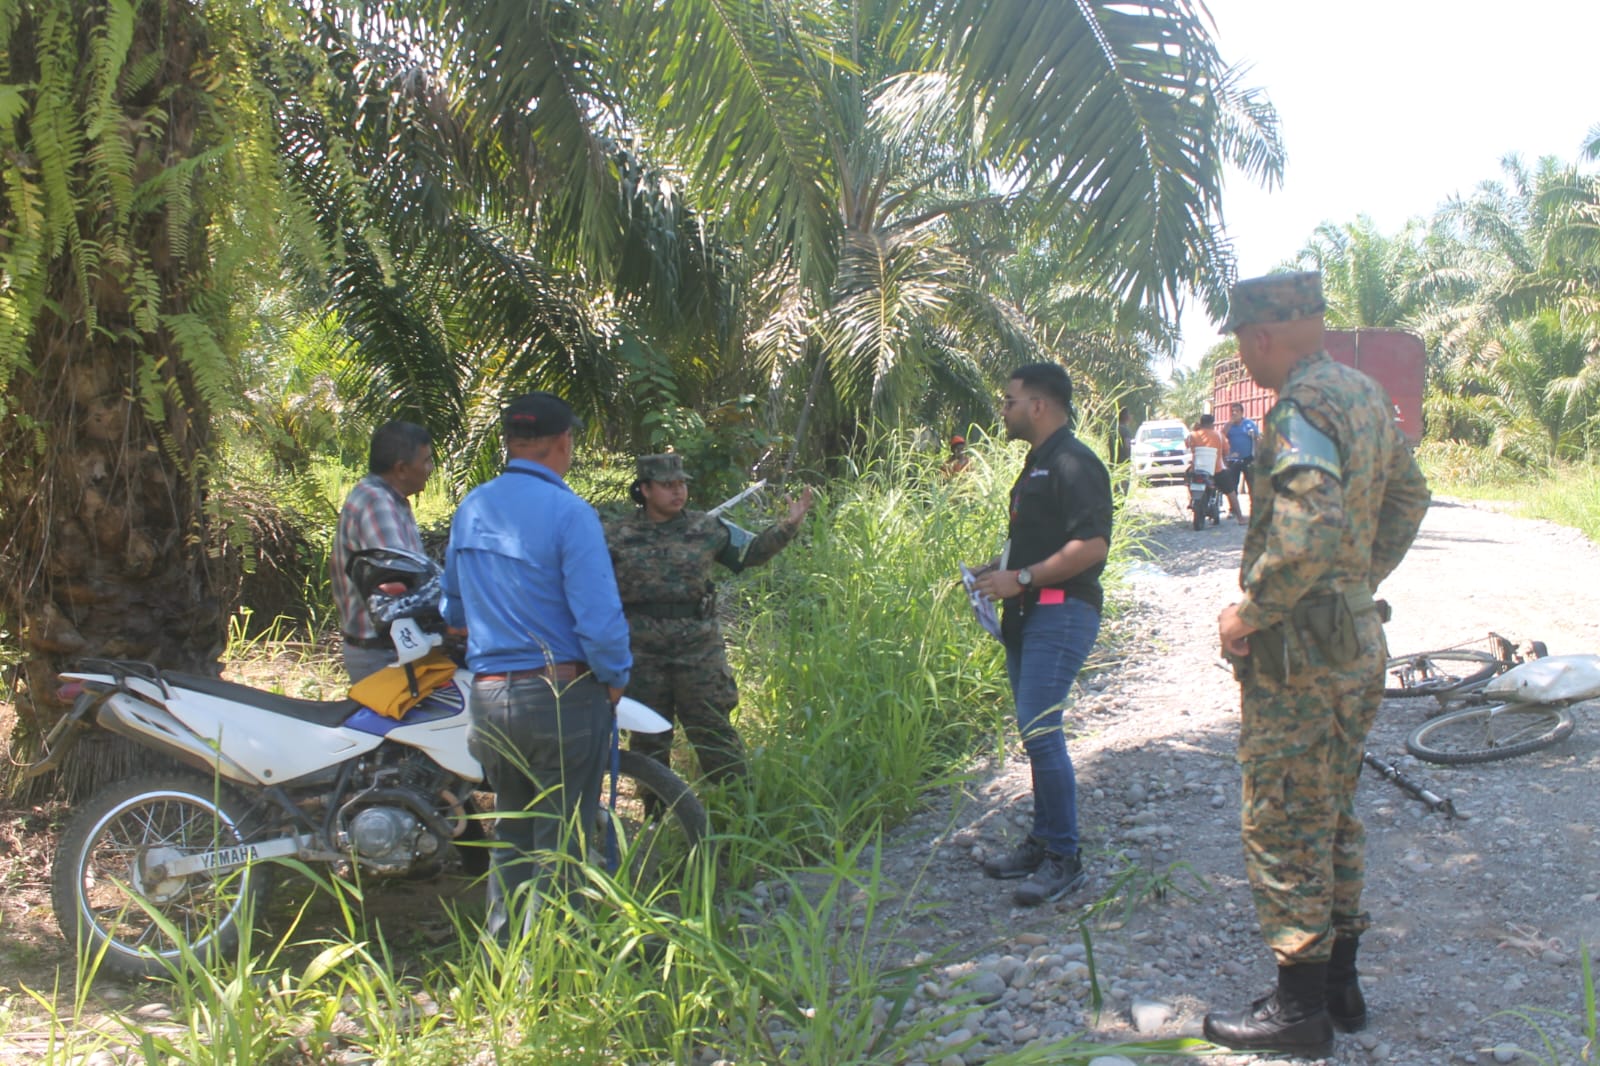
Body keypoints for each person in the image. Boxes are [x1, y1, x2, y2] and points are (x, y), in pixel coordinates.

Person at [1205, 272, 1430, 1056]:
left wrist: (1249, 611)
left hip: (1299, 656)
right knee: (1332, 811)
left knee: (1283, 819)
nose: (1243, 355)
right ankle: (1341, 989)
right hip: (1356, 642)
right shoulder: (1364, 395)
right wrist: (1360, 581)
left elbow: (1303, 532)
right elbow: (1410, 496)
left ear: (1260, 337)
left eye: (1240, 340)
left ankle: (1298, 1011)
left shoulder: (1301, 407)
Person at [440, 393, 632, 947]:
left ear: (511, 443)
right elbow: (598, 621)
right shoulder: (571, 513)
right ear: (564, 443)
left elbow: (453, 611)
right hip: (559, 697)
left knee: (513, 834)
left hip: (490, 700)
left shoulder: (472, 507)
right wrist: (616, 675)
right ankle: (553, 976)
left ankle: (506, 963)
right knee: (562, 843)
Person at [969, 363, 1112, 906]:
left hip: (1060, 610)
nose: (1002, 410)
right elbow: (1038, 543)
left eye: (1009, 401)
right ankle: (1043, 841)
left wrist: (1022, 578)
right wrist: (996, 572)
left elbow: (1092, 546)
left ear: (1038, 406)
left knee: (1042, 730)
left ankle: (1065, 859)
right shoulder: (1036, 466)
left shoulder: (1075, 464)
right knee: (1035, 734)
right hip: (1027, 615)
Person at [605, 454, 814, 786]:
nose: (678, 492)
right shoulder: (615, 535)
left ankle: (737, 816)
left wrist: (788, 526)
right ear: (644, 489)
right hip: (641, 653)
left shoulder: (706, 528)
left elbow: (751, 553)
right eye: (667, 485)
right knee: (648, 740)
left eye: (682, 484)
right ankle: (656, 819)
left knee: (713, 731)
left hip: (698, 651)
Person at [331, 421, 435, 682]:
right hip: (382, 653)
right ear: (401, 468)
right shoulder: (378, 504)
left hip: (387, 648)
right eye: (426, 461)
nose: (430, 469)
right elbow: (398, 584)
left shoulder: (389, 499)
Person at [1187, 413, 1241, 525]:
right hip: (1216, 470)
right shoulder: (1219, 435)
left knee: (1188, 480)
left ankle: (1191, 499)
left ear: (1200, 423)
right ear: (1212, 424)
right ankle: (1240, 517)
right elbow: (1226, 451)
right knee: (1230, 490)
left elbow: (1187, 445)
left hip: (1197, 470)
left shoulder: (1192, 435)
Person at [1224, 401, 1261, 511]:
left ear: (1242, 412)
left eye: (1237, 411)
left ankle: (1254, 508)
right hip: (1233, 459)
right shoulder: (1229, 425)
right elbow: (1221, 436)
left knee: (1252, 484)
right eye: (1232, 411)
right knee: (1232, 485)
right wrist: (1230, 423)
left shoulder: (1249, 424)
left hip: (1248, 458)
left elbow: (1257, 439)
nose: (1234, 413)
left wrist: (1258, 456)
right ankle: (1233, 509)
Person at [1111, 408, 1135, 495]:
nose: (1131, 416)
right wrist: (1129, 460)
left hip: (1113, 463)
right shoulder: (1125, 430)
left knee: (1115, 487)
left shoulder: (1113, 429)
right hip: (1123, 463)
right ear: (1125, 417)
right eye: (1129, 414)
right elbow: (1127, 446)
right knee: (1124, 487)